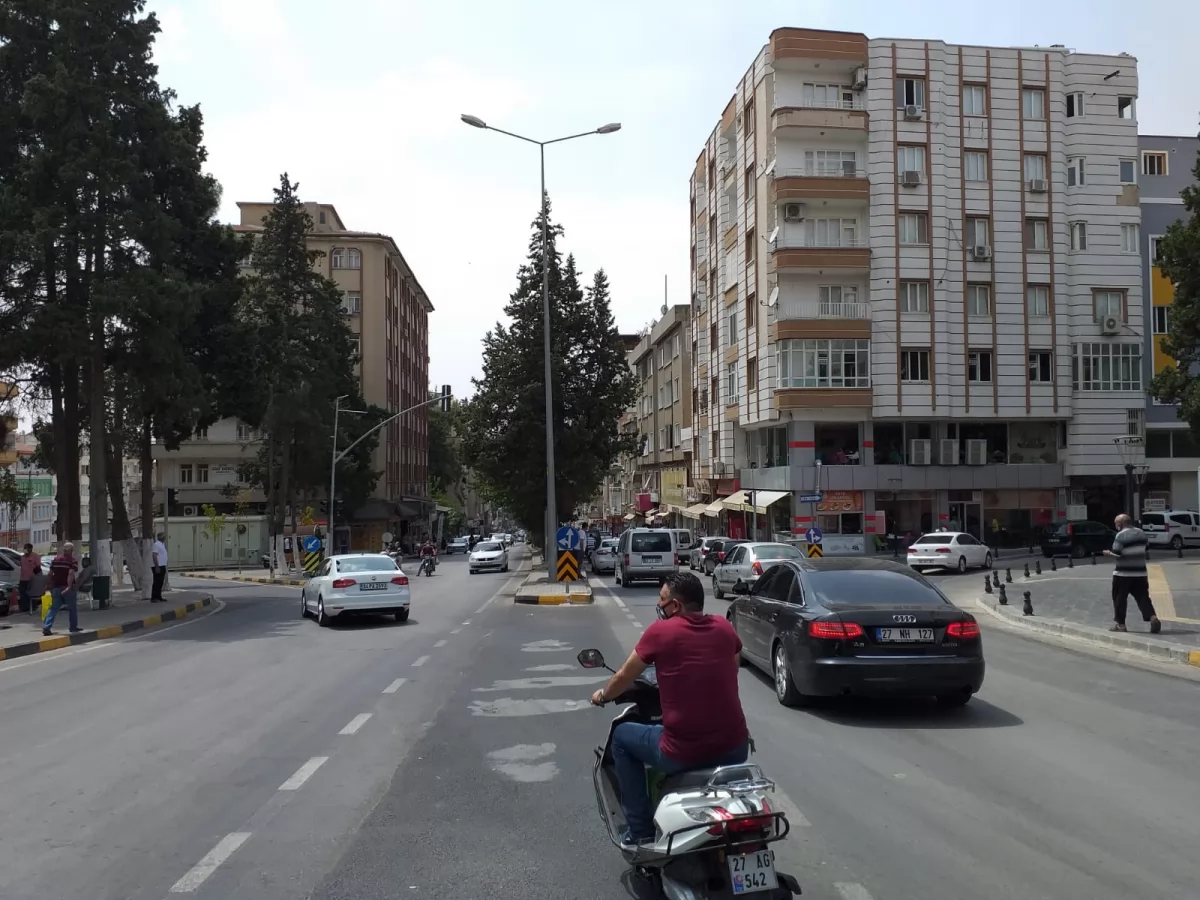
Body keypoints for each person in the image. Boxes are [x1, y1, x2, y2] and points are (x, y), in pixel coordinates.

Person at [590, 571, 750, 846]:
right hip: (736, 747)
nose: (659, 605)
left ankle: (639, 830)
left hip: (682, 751)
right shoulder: (724, 627)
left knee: (621, 737)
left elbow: (624, 676)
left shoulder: (661, 632)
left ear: (675, 605)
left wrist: (603, 695)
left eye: (662, 600)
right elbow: (732, 667)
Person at [1103, 513, 1162, 633]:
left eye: (1116, 524)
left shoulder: (1120, 535)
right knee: (1143, 597)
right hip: (1140, 573)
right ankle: (1153, 618)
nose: (1115, 526)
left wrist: (1108, 554)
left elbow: (1117, 553)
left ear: (1120, 524)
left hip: (1123, 574)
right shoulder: (1141, 533)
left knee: (1120, 598)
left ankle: (1121, 625)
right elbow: (1146, 548)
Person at [42, 541, 81, 636]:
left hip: (55, 587)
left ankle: (46, 627)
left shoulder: (56, 559)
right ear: (72, 550)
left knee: (54, 607)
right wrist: (68, 586)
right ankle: (73, 627)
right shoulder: (72, 560)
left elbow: (50, 573)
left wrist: (47, 584)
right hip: (67, 588)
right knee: (72, 608)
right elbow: (71, 573)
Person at [18, 543, 41, 614]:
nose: (25, 549)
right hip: (23, 579)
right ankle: (24, 609)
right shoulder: (22, 557)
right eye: (24, 548)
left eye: (27, 548)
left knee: (31, 594)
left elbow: (38, 568)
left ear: (31, 549)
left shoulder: (35, 556)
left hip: (32, 579)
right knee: (23, 594)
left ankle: (33, 607)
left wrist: (37, 578)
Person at [151, 532, 168, 602]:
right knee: (156, 582)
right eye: (163, 536)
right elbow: (154, 555)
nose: (164, 537)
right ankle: (154, 598)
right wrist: (157, 566)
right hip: (158, 566)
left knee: (160, 582)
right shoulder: (156, 544)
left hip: (162, 565)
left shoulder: (162, 544)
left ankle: (159, 596)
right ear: (159, 537)